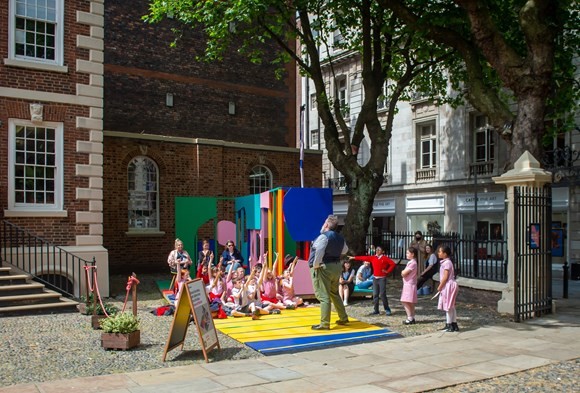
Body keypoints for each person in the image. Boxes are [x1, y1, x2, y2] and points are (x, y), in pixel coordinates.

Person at [308, 214, 349, 330]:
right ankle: (343, 317)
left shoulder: (323, 237)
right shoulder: (340, 238)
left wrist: (316, 265)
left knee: (323, 295)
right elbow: (345, 250)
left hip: (324, 267)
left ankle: (324, 323)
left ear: (326, 224)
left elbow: (319, 252)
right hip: (336, 266)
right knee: (334, 293)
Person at [349, 245, 396, 316]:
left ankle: (387, 309)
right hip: (375, 278)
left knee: (383, 294)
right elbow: (364, 258)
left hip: (382, 278)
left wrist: (387, 271)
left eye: (379, 250)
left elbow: (392, 264)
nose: (377, 251)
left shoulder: (385, 258)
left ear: (382, 251)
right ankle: (376, 310)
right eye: (376, 250)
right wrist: (354, 257)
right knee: (375, 294)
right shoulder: (373, 258)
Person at [437, 245, 459, 332]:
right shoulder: (446, 262)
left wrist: (440, 286)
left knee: (448, 305)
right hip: (449, 285)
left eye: (440, 252)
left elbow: (445, 277)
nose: (438, 253)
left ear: (445, 254)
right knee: (452, 305)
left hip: (448, 286)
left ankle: (449, 324)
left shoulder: (446, 263)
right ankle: (454, 324)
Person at [400, 247, 418, 324]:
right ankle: (412, 317)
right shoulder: (411, 262)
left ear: (412, 254)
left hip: (409, 284)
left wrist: (402, 272)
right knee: (410, 301)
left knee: (405, 301)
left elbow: (404, 273)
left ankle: (410, 317)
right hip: (408, 283)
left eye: (408, 253)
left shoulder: (412, 263)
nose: (406, 254)